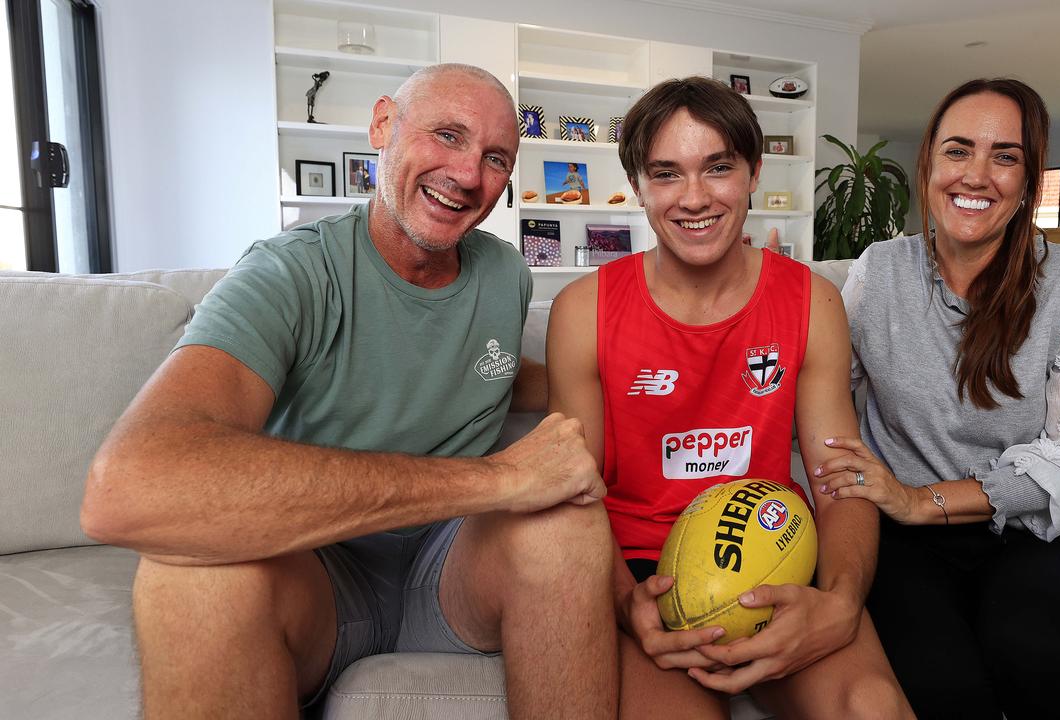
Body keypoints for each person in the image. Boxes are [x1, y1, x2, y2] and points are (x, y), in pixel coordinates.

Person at [80, 64, 618, 720]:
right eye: (447, 135)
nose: (469, 175)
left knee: (567, 522)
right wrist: (497, 480)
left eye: (495, 158)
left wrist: (622, 379)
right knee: (190, 574)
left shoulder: (506, 273)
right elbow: (127, 488)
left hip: (452, 577)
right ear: (383, 125)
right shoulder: (289, 272)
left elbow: (485, 373)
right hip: (319, 577)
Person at [547, 76, 913, 719]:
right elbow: (575, 492)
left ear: (753, 172)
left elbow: (839, 478)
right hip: (643, 570)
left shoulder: (813, 302)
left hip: (773, 551)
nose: (694, 198)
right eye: (666, 174)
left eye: (717, 168)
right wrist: (625, 605)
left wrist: (841, 602)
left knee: (873, 707)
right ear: (638, 185)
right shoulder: (584, 309)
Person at [816, 78, 1060, 718]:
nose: (978, 174)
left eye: (1006, 156)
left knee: (1055, 659)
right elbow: (820, 399)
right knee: (943, 688)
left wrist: (916, 500)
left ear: (1029, 179)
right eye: (958, 151)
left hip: (1018, 535)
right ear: (928, 165)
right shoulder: (877, 270)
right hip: (899, 546)